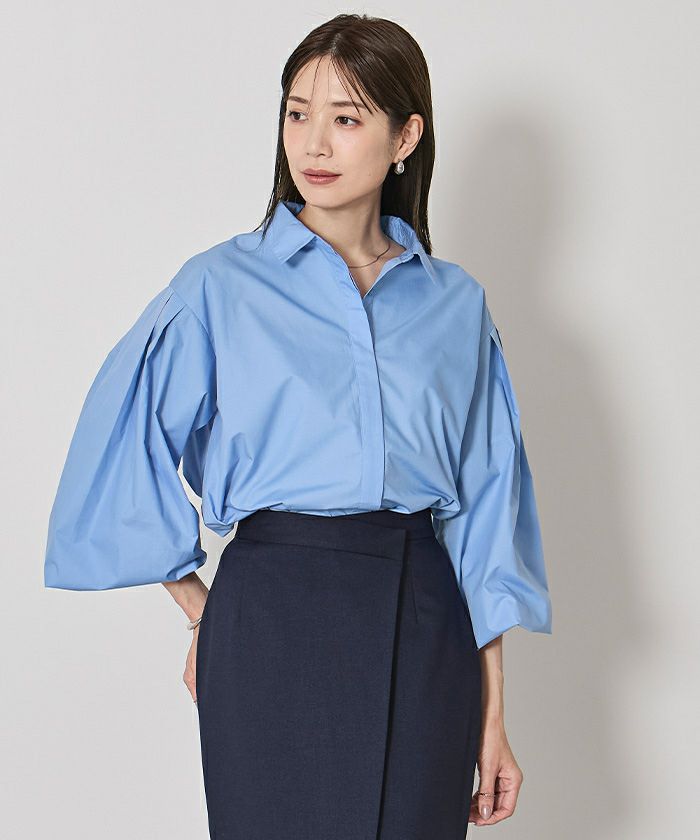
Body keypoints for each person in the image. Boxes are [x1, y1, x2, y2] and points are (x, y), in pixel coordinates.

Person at [44, 13, 552, 840]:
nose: (313, 142)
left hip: (425, 623)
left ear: (405, 137)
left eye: (346, 118)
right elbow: (121, 444)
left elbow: (486, 514)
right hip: (272, 618)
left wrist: (493, 716)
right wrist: (203, 612)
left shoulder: (456, 305)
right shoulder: (219, 287)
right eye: (297, 112)